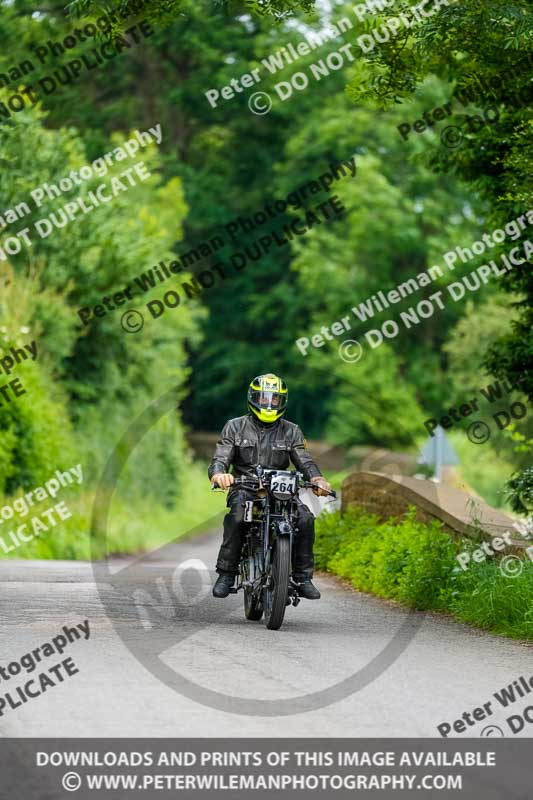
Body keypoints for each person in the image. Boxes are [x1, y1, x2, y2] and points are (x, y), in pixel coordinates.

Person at [208, 373, 332, 600]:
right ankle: (226, 573)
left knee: (305, 518)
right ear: (252, 398)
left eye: (274, 399)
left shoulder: (292, 430)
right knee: (237, 516)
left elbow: (304, 460)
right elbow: (221, 457)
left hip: (280, 489)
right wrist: (219, 475)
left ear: (282, 401)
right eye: (264, 398)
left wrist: (317, 479)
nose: (268, 403)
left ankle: (303, 577)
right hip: (245, 486)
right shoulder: (234, 427)